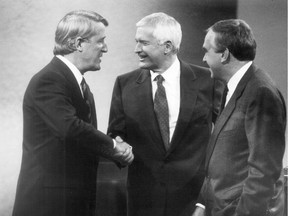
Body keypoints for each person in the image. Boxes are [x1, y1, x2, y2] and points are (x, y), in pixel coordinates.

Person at [12, 10, 134, 216]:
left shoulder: (78, 86)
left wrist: (114, 151)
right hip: (48, 205)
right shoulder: (49, 80)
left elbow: (80, 141)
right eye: (101, 41)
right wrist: (114, 146)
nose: (105, 48)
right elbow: (70, 128)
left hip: (69, 201)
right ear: (78, 44)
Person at [108, 12, 217, 216]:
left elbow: (223, 143)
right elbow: (115, 133)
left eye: (143, 43)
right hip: (143, 202)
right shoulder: (125, 84)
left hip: (194, 202)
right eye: (136, 42)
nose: (136, 49)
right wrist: (118, 146)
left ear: (167, 46)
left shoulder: (206, 81)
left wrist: (204, 202)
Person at [192, 19, 286, 216]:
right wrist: (202, 205)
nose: (203, 58)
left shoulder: (260, 92)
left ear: (225, 54)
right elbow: (223, 158)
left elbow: (264, 173)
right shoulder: (233, 87)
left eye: (207, 50)